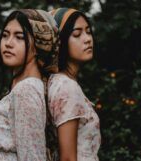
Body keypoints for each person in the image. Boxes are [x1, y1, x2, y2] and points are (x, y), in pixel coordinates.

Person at [0, 9, 58, 161]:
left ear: (39, 44)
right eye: (5, 35)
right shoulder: (24, 87)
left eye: (19, 37)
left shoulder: (26, 90)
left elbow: (32, 157)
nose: (8, 43)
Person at [48, 8, 101, 161]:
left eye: (88, 32)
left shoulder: (58, 81)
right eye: (77, 34)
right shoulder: (66, 87)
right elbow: (68, 158)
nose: (87, 39)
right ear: (60, 41)